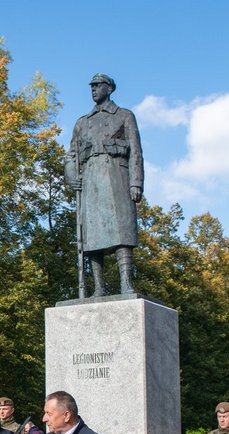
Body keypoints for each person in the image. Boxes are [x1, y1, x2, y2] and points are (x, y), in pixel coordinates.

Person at [65, 73, 143, 296]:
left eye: (98, 86)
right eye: (92, 86)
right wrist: (72, 176)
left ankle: (126, 283)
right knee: (91, 237)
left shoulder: (124, 116)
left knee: (122, 231)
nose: (93, 89)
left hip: (116, 176)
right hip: (90, 181)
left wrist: (136, 182)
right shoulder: (82, 123)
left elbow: (136, 151)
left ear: (109, 88)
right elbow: (71, 156)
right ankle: (99, 287)